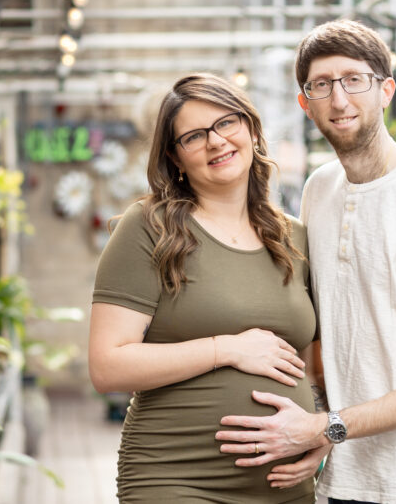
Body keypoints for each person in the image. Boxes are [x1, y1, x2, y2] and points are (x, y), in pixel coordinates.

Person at [216, 19, 396, 504]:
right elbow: (328, 330)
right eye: (321, 85)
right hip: (341, 481)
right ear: (305, 102)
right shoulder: (321, 188)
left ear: (386, 90)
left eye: (354, 80)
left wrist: (325, 427)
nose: (338, 100)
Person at [89, 73, 319, 503]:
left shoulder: (296, 238)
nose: (216, 142)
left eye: (226, 123)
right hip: (176, 477)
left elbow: (313, 361)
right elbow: (107, 366)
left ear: (251, 129)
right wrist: (227, 349)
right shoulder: (148, 228)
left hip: (285, 483)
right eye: (194, 136)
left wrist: (323, 431)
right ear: (175, 158)